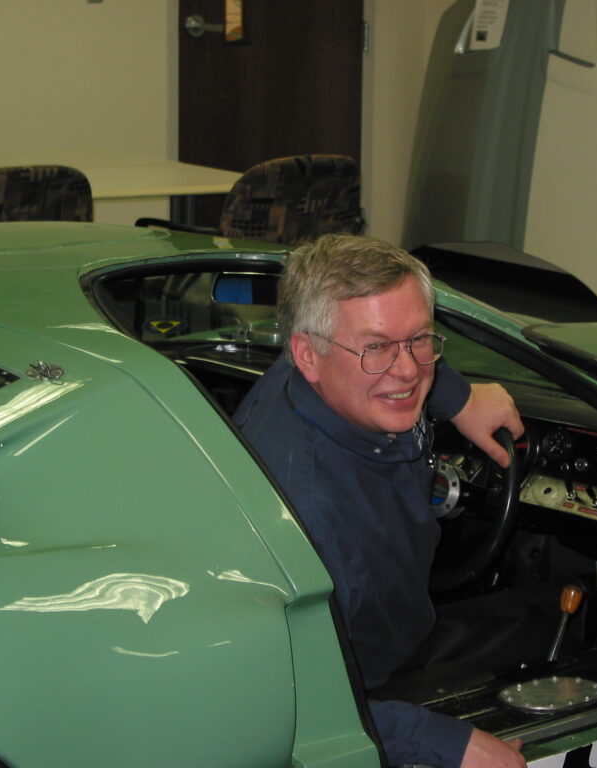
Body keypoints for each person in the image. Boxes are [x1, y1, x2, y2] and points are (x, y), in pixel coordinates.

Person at [234, 234, 527, 768]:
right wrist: (444, 743)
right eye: (376, 348)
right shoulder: (307, 521)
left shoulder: (311, 376)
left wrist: (459, 399)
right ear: (308, 354)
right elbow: (293, 704)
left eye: (420, 339)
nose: (409, 371)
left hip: (402, 625)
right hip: (369, 684)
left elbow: (399, 363)